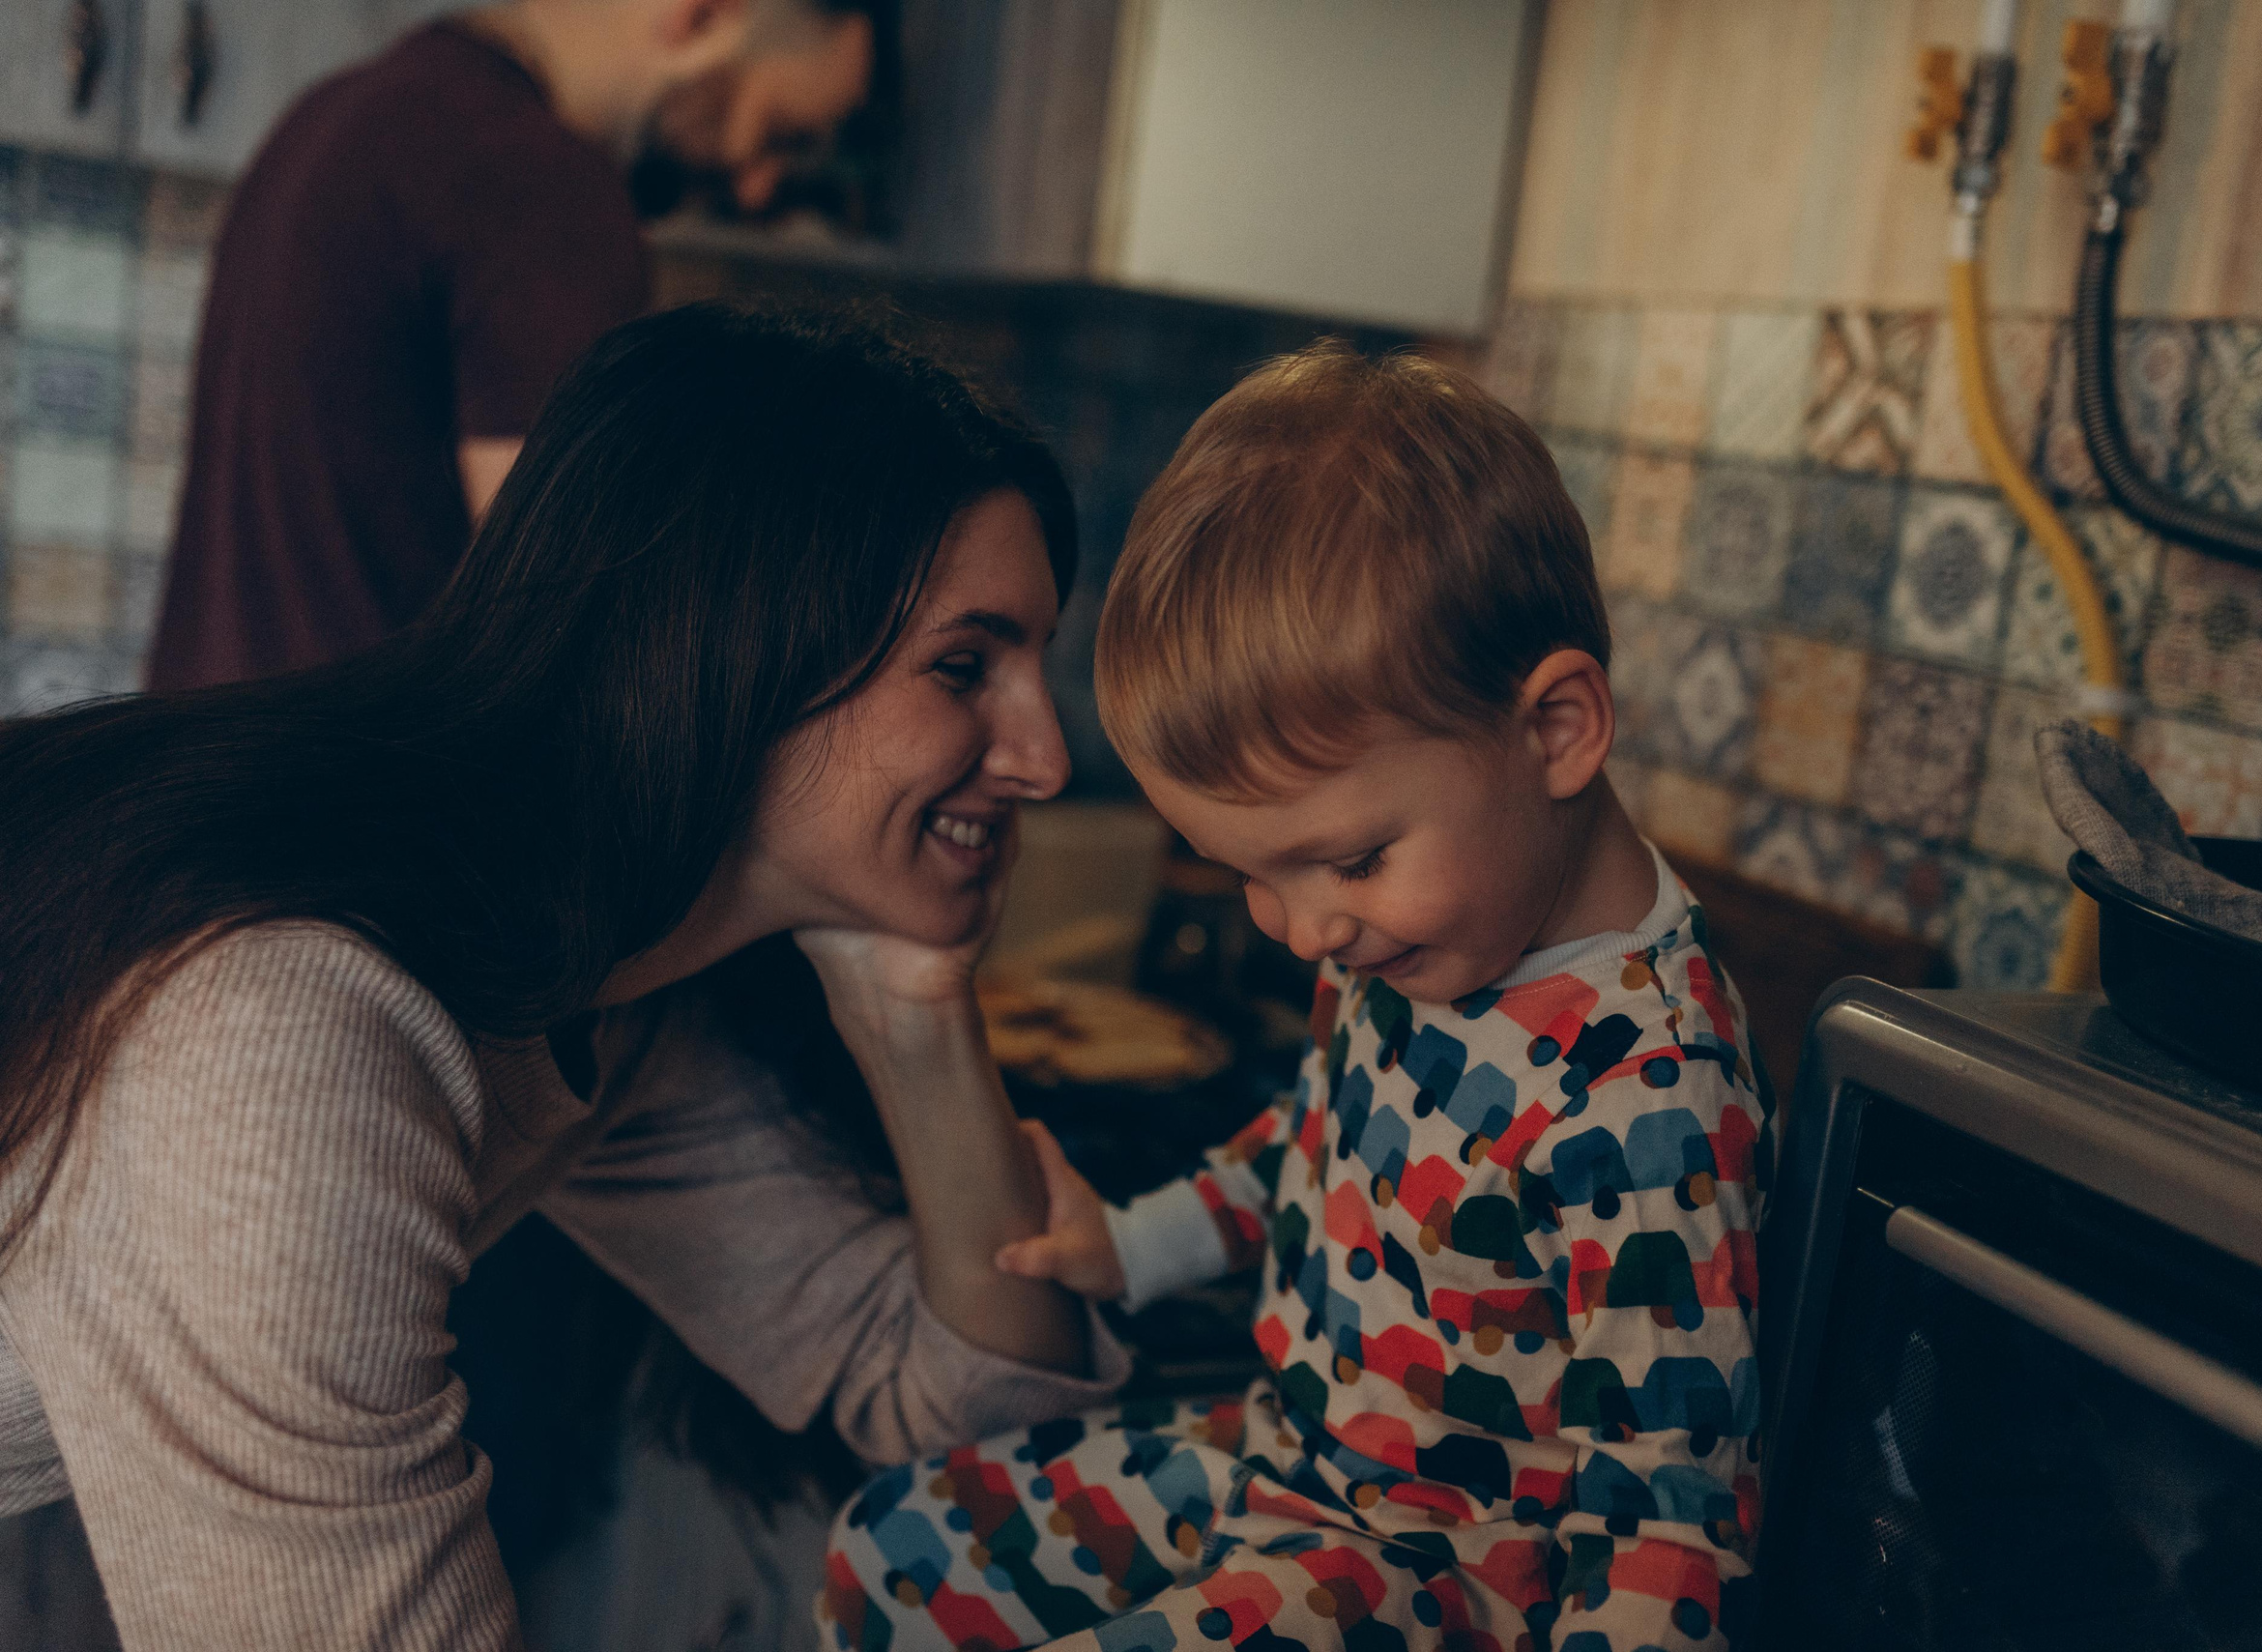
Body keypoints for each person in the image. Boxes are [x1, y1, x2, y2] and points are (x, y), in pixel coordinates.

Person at [0, 303, 1130, 1650]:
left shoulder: (607, 999)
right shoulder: (281, 1029)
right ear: (733, 640)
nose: (1044, 760)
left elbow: (979, 1425)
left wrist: (917, 1006)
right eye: (965, 666)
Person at [819, 344, 1769, 1652]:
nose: (1307, 929)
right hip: (1289, 1468)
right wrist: (1137, 1246)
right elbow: (1313, 1147)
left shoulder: (1647, 1096)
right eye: (1251, 873)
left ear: (1556, 730)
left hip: (1449, 1580)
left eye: (1351, 858)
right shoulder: (1415, 943)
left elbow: (1670, 1511)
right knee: (899, 1544)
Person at [144, 0, 881, 693]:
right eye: (781, 131)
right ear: (705, 13)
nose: (758, 189)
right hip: (342, 813)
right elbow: (562, 629)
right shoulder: (544, 183)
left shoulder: (329, 115)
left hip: (183, 791)